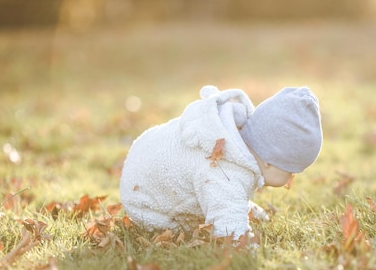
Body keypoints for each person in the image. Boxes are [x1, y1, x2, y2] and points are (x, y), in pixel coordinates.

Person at [119, 85, 322, 239]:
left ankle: (234, 204)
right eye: (290, 170)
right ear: (269, 160)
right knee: (206, 217)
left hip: (145, 151)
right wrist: (243, 243)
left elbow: (225, 190)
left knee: (223, 195)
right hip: (146, 203)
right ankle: (227, 206)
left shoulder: (236, 141)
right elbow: (229, 229)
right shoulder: (227, 173)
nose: (291, 178)